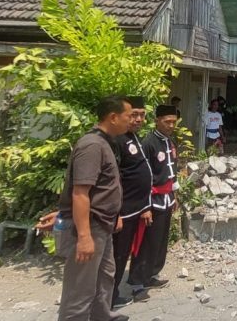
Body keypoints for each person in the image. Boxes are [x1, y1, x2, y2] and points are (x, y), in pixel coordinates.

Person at [57, 95, 132, 321]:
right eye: (128, 116)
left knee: (105, 276)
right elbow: (80, 193)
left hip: (103, 224)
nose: (131, 121)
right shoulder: (91, 145)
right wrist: (84, 237)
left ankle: (102, 316)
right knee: (80, 288)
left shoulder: (105, 142)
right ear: (113, 117)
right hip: (90, 226)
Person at [126, 105, 179, 300]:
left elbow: (173, 170)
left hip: (166, 199)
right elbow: (144, 177)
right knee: (146, 242)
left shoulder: (170, 142)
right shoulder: (148, 142)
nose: (171, 125)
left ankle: (151, 274)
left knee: (160, 241)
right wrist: (145, 207)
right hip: (152, 200)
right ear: (157, 120)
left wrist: (175, 197)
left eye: (174, 122)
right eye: (167, 121)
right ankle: (137, 283)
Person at [111, 97, 153, 308]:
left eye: (142, 115)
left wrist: (145, 206)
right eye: (133, 115)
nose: (138, 119)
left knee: (125, 252)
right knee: (117, 255)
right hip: (123, 211)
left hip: (137, 208)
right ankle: (108, 298)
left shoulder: (135, 138)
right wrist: (116, 212)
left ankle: (112, 294)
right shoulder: (117, 140)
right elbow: (114, 178)